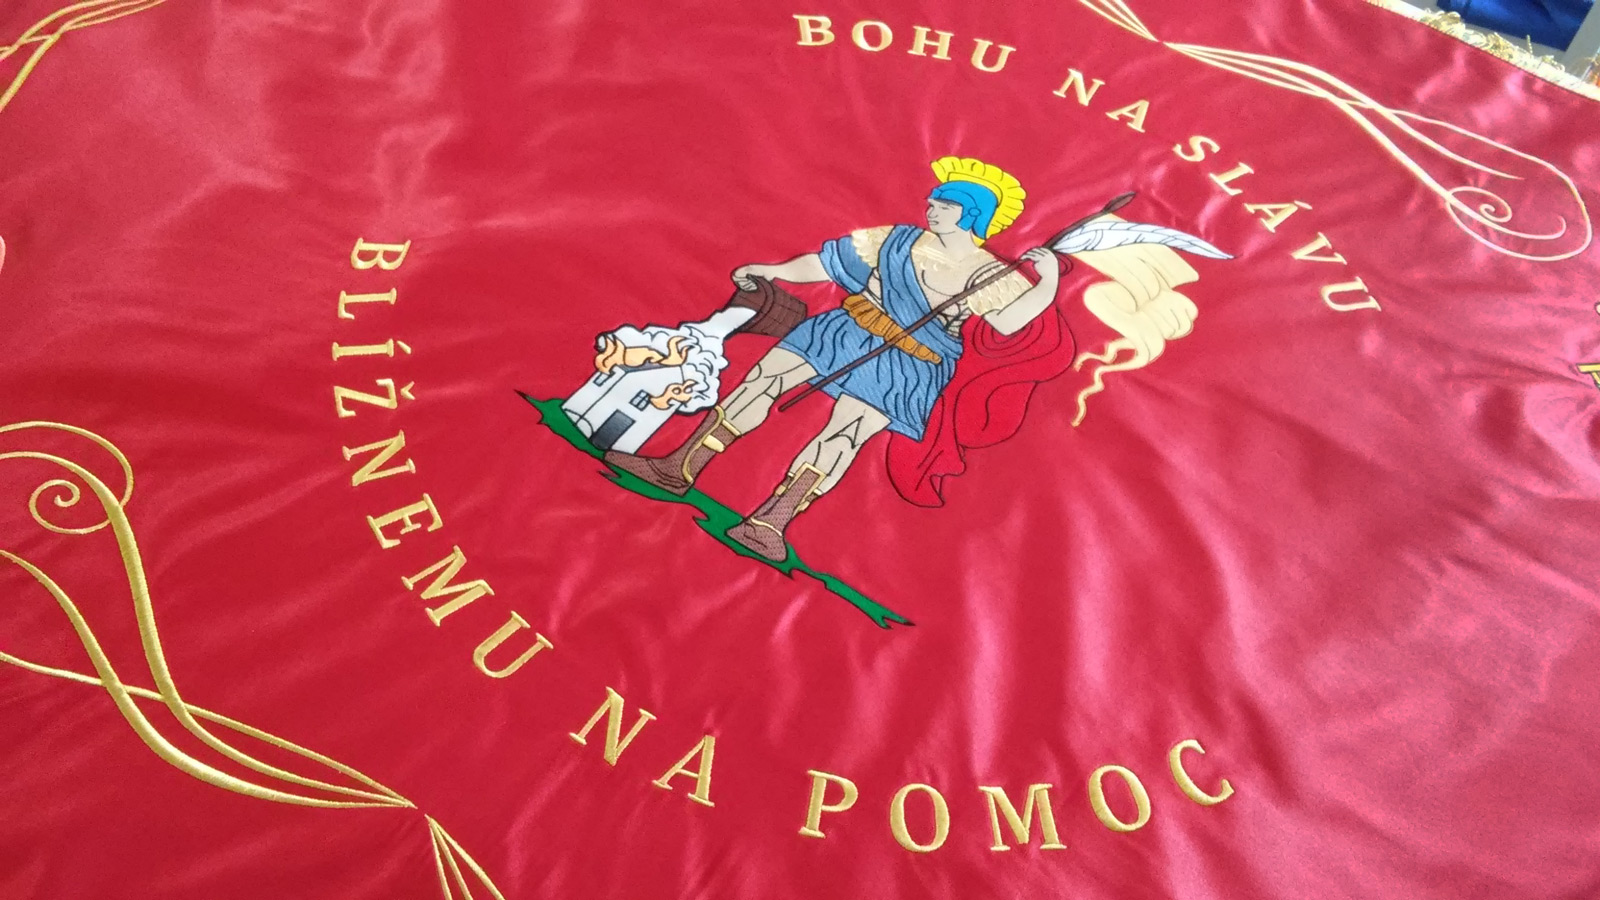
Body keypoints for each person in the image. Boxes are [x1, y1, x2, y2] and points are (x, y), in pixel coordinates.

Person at [605, 157, 1061, 561]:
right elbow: (827, 265)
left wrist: (1050, 281)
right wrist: (773, 271)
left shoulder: (990, 274)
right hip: (847, 326)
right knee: (761, 382)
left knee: (845, 432)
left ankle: (769, 524)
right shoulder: (897, 239)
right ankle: (679, 467)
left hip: (909, 362)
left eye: (944, 203)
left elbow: (1008, 322)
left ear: (971, 213)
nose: (931, 207)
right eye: (933, 201)